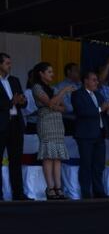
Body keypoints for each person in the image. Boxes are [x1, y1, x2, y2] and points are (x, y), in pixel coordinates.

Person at [31, 62, 73, 200]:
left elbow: (64, 108)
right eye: (49, 72)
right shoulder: (37, 87)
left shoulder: (53, 88)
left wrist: (54, 104)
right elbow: (50, 103)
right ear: (41, 74)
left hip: (57, 123)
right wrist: (63, 92)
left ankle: (58, 188)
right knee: (48, 155)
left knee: (57, 156)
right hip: (46, 123)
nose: (52, 74)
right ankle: (50, 188)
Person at [72, 70, 109, 199]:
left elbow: (103, 112)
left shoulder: (98, 95)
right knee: (86, 164)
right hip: (85, 135)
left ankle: (98, 191)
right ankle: (86, 192)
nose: (97, 82)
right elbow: (82, 112)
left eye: (97, 80)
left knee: (99, 165)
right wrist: (101, 109)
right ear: (86, 81)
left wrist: (108, 109)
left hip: (99, 134)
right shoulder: (77, 94)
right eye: (94, 79)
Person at [0, 52, 29, 201]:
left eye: (10, 63)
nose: (10, 66)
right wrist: (12, 101)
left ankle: (18, 193)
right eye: (7, 63)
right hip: (1, 125)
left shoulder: (14, 80)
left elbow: (24, 102)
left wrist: (22, 100)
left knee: (16, 160)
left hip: (16, 124)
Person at [54, 62, 81, 136]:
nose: (79, 72)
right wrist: (81, 108)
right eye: (76, 70)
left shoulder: (81, 85)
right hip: (68, 120)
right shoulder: (61, 86)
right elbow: (66, 107)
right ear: (69, 72)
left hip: (81, 120)